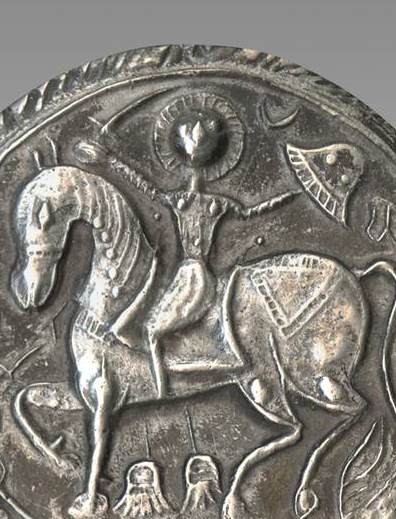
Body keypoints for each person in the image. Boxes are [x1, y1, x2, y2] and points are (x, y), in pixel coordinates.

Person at [76, 92, 296, 397]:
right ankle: (171, 378)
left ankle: (163, 392)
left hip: (195, 278)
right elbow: (252, 212)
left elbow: (144, 185)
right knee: (134, 327)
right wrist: (284, 197)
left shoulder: (186, 201)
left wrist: (111, 161)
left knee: (152, 331)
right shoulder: (209, 203)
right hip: (186, 275)